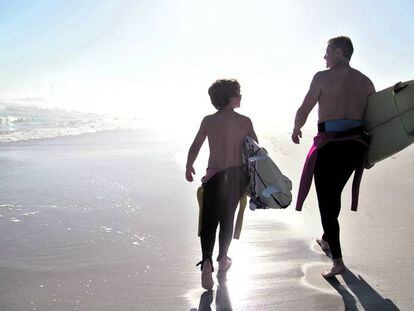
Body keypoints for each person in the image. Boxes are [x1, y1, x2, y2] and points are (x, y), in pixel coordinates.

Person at [292, 36, 375, 278]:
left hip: (330, 146)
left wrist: (297, 127)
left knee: (326, 202)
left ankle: (337, 260)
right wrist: (370, 155)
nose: (324, 57)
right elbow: (373, 122)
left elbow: (305, 107)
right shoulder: (367, 82)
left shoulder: (322, 77)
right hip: (356, 146)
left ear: (338, 52)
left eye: (327, 52)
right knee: (334, 193)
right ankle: (327, 238)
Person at [185, 79, 258, 289]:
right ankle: (223, 259)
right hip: (236, 178)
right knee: (227, 218)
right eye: (238, 93)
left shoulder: (209, 121)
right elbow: (256, 152)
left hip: (214, 176)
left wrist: (189, 166)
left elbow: (195, 146)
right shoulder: (245, 121)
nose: (241, 96)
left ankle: (206, 262)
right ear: (229, 98)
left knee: (209, 220)